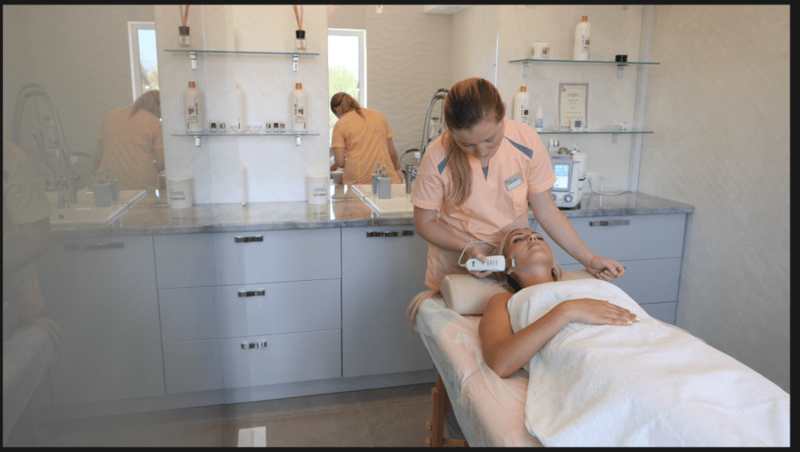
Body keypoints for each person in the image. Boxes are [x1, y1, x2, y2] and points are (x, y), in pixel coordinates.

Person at [410, 77, 625, 294]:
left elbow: (547, 211)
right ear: (448, 128)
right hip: (458, 271)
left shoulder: (526, 142)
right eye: (466, 144)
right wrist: (467, 248)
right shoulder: (437, 156)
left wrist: (588, 259)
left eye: (490, 139)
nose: (481, 152)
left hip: (514, 271)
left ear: (503, 112)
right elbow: (424, 223)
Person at [478, 228, 638, 377]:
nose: (532, 238)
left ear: (553, 264)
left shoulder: (592, 285)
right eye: (517, 240)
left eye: (539, 238)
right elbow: (498, 364)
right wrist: (567, 311)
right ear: (506, 266)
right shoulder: (505, 301)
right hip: (603, 364)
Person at [93, 90, 164, 191]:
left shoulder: (111, 116)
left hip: (109, 182)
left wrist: (96, 172)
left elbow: (98, 156)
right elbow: (161, 164)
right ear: (158, 106)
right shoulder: (155, 123)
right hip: (141, 184)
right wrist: (150, 170)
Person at [330, 92, 402, 185]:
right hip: (384, 178)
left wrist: (351, 160)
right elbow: (392, 153)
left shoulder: (341, 123)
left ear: (337, 109)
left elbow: (340, 162)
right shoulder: (378, 116)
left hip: (357, 180)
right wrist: (395, 168)